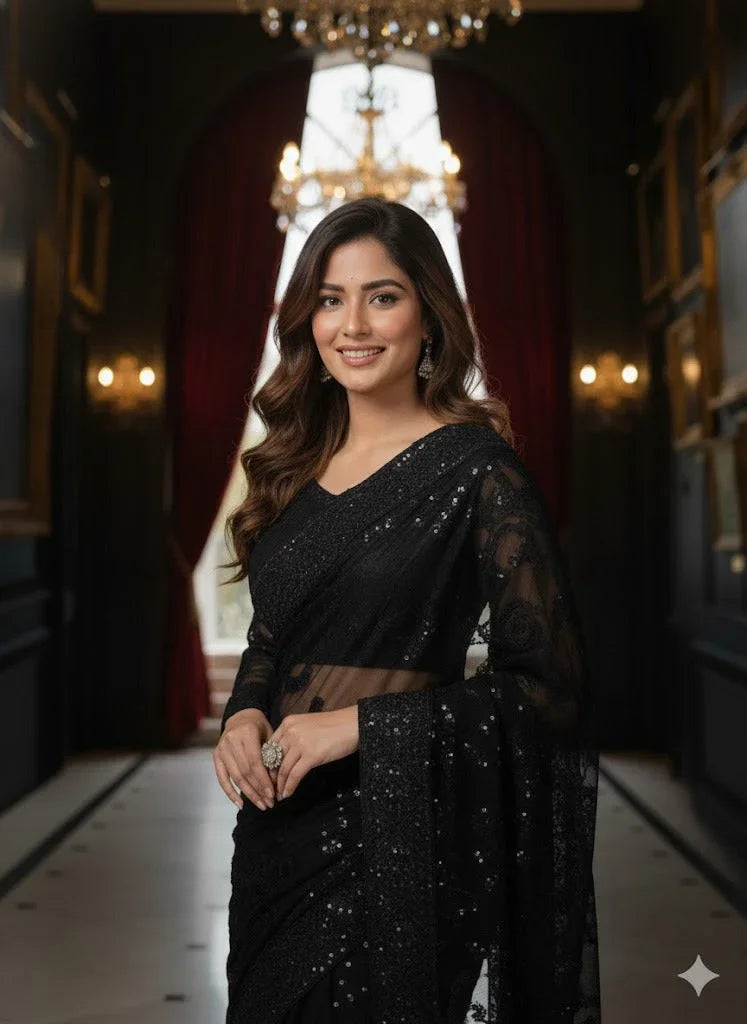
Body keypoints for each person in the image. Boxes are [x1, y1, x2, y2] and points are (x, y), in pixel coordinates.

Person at [213, 196, 601, 1023]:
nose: (351, 323)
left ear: (429, 316)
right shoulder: (291, 467)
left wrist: (358, 727)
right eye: (328, 297)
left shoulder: (478, 474)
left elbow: (551, 689)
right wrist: (244, 711)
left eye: (381, 295)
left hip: (401, 832)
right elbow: (271, 635)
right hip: (276, 834)